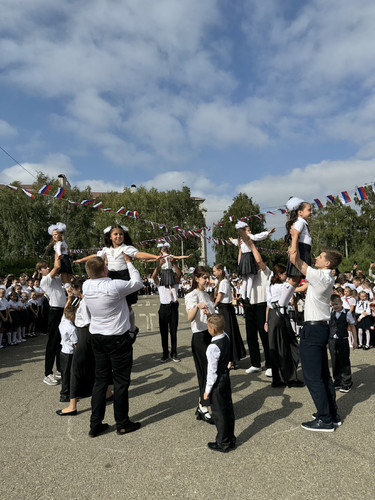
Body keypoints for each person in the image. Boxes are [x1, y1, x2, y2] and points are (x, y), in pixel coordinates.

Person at [83, 255, 144, 437]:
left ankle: (95, 424)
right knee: (121, 382)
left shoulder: (86, 285)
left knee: (100, 381)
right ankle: (122, 423)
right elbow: (138, 282)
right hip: (117, 337)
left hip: (97, 336)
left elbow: (94, 270)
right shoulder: (114, 285)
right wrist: (128, 262)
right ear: (104, 270)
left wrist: (101, 261)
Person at [290, 239, 343, 432]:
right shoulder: (324, 276)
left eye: (320, 257)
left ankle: (325, 419)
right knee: (323, 375)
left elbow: (295, 260)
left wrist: (294, 237)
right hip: (319, 328)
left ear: (327, 263)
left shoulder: (320, 276)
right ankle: (332, 414)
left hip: (313, 330)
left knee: (313, 377)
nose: (316, 258)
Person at [74, 225, 160, 336]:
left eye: (121, 234)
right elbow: (95, 256)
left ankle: (132, 328)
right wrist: (81, 260)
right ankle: (115, 326)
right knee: (113, 305)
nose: (118, 236)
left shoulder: (126, 248)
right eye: (115, 234)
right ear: (110, 237)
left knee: (128, 306)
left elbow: (138, 254)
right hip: (110, 277)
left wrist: (155, 257)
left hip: (124, 276)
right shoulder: (106, 250)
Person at [185, 266, 216, 425]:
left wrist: (209, 313)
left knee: (211, 371)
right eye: (204, 277)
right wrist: (197, 307)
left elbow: (211, 316)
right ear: (196, 278)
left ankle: (201, 404)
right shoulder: (191, 295)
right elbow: (190, 318)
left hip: (210, 334)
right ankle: (203, 406)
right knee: (205, 373)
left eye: (208, 277)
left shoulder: (207, 294)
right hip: (199, 337)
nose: (207, 280)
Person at [266, 265, 305, 388]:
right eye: (284, 274)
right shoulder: (281, 287)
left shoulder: (270, 285)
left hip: (274, 316)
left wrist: (267, 321)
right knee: (288, 346)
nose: (286, 276)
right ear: (279, 275)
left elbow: (268, 305)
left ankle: (280, 379)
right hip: (280, 317)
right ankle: (290, 378)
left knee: (278, 347)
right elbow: (299, 287)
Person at [203, 314, 236, 453]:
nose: (208, 329)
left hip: (217, 382)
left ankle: (222, 442)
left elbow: (212, 371)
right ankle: (230, 437)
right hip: (226, 377)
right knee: (228, 408)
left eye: (208, 327)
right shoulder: (226, 337)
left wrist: (207, 390)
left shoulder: (212, 347)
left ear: (213, 329)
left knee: (218, 412)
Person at [241, 237, 272, 376]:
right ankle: (255, 363)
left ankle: (270, 364)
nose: (256, 263)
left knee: (264, 336)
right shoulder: (249, 274)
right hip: (250, 306)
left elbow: (259, 260)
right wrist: (240, 248)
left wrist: (251, 244)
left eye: (258, 261)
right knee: (251, 336)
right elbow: (240, 262)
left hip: (262, 305)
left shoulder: (266, 272)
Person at [37, 252, 67, 386]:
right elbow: (56, 268)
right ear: (40, 271)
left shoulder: (56, 279)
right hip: (54, 312)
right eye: (44, 267)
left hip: (62, 311)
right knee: (52, 343)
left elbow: (64, 274)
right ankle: (47, 373)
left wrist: (63, 256)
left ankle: (60, 369)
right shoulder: (45, 280)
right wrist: (57, 252)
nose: (48, 268)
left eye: (48, 266)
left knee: (60, 342)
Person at [279, 197, 312, 313]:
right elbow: (295, 235)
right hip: (301, 250)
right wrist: (293, 249)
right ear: (300, 212)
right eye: (309, 210)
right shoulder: (300, 222)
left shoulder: (303, 222)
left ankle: (284, 303)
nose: (311, 212)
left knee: (297, 279)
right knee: (294, 278)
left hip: (305, 250)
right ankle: (281, 303)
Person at [230, 221, 275, 305]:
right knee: (249, 278)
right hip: (249, 257)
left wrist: (232, 240)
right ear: (244, 231)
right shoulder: (248, 237)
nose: (250, 232)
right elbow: (257, 236)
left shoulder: (240, 239)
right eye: (248, 230)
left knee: (245, 280)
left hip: (243, 258)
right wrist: (268, 233)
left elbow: (236, 242)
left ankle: (243, 296)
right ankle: (247, 296)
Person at [213, 264, 245, 368]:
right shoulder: (223, 281)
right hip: (225, 309)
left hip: (225, 309)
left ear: (220, 271)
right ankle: (230, 359)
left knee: (227, 333)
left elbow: (219, 297)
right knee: (227, 332)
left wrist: (213, 306)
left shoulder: (223, 282)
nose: (214, 273)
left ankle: (230, 359)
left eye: (215, 271)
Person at [152, 258, 182, 363]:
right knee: (163, 332)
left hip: (173, 307)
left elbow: (179, 274)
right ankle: (165, 354)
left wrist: (173, 263)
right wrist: (159, 265)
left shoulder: (175, 284)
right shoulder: (160, 283)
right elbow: (153, 276)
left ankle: (174, 353)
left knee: (173, 332)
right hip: (164, 308)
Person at [329, 295, 357, 394]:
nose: (335, 306)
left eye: (336, 304)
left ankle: (347, 382)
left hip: (343, 340)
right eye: (333, 305)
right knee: (334, 361)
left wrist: (355, 341)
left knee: (344, 362)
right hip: (332, 340)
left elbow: (353, 327)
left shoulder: (347, 314)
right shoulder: (331, 313)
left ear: (341, 303)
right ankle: (337, 381)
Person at [58, 305, 78, 403]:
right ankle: (65, 394)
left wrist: (69, 299)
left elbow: (64, 312)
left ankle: (66, 392)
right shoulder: (72, 328)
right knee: (69, 374)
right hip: (69, 352)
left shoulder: (63, 321)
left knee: (65, 373)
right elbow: (75, 343)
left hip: (63, 351)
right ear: (71, 316)